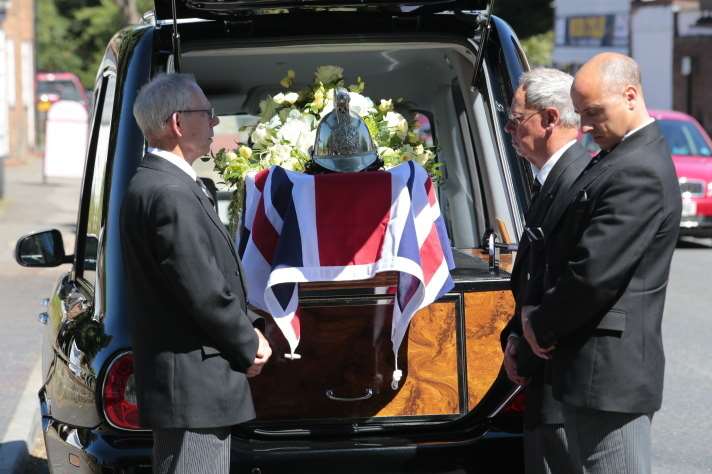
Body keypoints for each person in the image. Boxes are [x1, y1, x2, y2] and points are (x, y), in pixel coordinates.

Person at [521, 53, 682, 473]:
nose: (586, 127)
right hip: (590, 376)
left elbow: (592, 275)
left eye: (593, 113)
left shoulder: (638, 169)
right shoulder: (620, 156)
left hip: (609, 382)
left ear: (630, 96)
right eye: (581, 114)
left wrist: (539, 324)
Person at [120, 73, 272, 474]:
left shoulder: (160, 183)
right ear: (177, 122)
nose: (215, 123)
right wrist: (248, 340)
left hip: (188, 385)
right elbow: (200, 287)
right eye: (207, 114)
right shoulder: (169, 192)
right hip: (192, 387)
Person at [500, 67, 589, 474]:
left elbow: (577, 281)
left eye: (517, 120)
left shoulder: (578, 180)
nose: (508, 129)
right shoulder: (550, 178)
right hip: (545, 381)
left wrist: (530, 332)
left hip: (564, 384)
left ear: (550, 119)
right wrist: (515, 335)